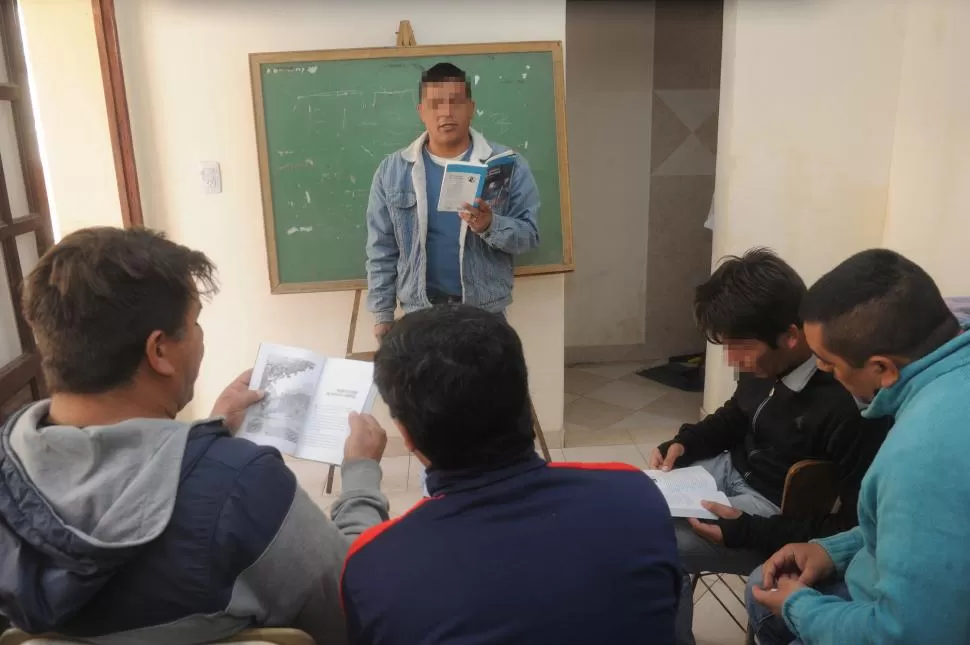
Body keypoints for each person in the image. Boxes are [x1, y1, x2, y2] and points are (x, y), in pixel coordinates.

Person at [0, 227, 390, 645]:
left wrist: (207, 435)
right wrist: (361, 477)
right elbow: (354, 606)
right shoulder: (244, 486)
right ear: (159, 352)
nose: (201, 337)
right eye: (195, 322)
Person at [341, 305, 681, 644]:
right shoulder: (635, 495)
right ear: (523, 396)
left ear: (407, 435)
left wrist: (360, 472)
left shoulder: (376, 566)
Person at [645, 249, 889, 645]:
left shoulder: (848, 402)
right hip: (730, 472)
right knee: (637, 506)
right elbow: (737, 415)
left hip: (772, 513)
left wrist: (747, 531)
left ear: (791, 336)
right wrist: (685, 442)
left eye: (739, 348)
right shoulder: (764, 362)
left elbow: (849, 526)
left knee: (656, 545)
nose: (732, 361)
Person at [747, 249, 970, 645]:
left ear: (881, 368)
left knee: (766, 595)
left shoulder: (921, 457)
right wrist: (835, 550)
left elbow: (909, 635)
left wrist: (802, 609)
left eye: (829, 364)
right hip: (895, 587)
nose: (821, 370)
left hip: (892, 623)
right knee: (760, 584)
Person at [365, 62, 540, 340]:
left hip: (485, 314)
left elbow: (529, 236)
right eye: (435, 104)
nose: (446, 112)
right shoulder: (393, 171)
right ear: (421, 112)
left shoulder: (507, 165)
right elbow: (381, 248)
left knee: (485, 385)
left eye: (456, 102)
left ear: (471, 108)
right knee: (425, 385)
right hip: (419, 313)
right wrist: (382, 313)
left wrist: (490, 225)